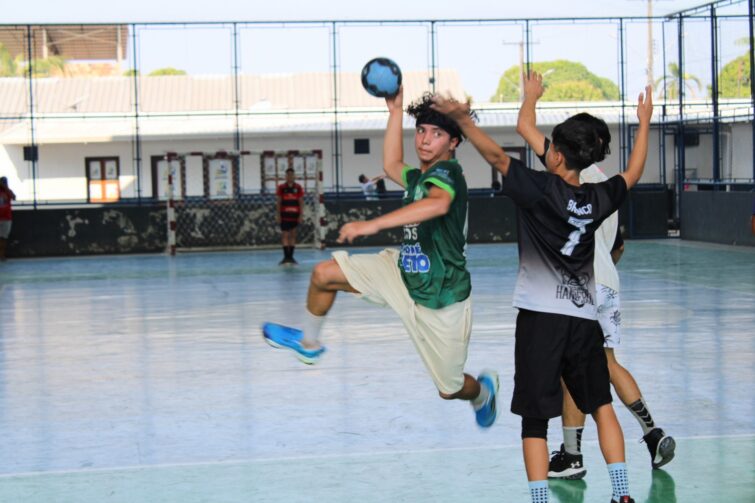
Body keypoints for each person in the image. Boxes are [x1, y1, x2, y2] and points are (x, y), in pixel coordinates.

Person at [431, 74, 653, 503]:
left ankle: (538, 500)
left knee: (534, 420)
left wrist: (467, 120)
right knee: (601, 406)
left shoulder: (538, 190)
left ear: (554, 154)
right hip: (584, 321)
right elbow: (635, 170)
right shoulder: (598, 197)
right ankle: (623, 494)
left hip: (540, 320)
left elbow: (496, 156)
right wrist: (643, 122)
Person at [261, 88, 499, 429]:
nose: (425, 140)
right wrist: (395, 111)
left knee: (450, 389)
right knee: (324, 274)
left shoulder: (449, 175)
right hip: (402, 273)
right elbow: (390, 164)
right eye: (420, 131)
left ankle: (481, 394)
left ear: (453, 143)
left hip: (442, 299)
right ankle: (309, 343)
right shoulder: (417, 177)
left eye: (437, 134)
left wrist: (371, 224)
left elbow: (438, 204)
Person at [511, 102, 675, 478]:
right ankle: (650, 431)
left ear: (562, 149)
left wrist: (531, 96)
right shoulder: (604, 183)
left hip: (573, 284)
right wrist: (645, 121)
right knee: (605, 364)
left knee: (577, 370)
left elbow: (524, 125)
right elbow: (619, 246)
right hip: (607, 282)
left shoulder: (560, 173)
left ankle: (572, 454)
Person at [276, 167, 304, 265]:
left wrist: (301, 215)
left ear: (294, 176)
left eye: (292, 175)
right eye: (288, 175)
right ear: (286, 176)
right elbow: (279, 202)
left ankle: (291, 257)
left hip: (295, 216)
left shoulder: (298, 187)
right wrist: (278, 215)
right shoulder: (281, 187)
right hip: (284, 215)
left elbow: (301, 202)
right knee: (285, 235)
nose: (290, 177)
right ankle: (285, 257)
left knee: (293, 235)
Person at [0, 176, 16, 261]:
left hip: (6, 218)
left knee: (4, 237)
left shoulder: (8, 192)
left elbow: (14, 197)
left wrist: (6, 188)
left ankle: (2, 255)